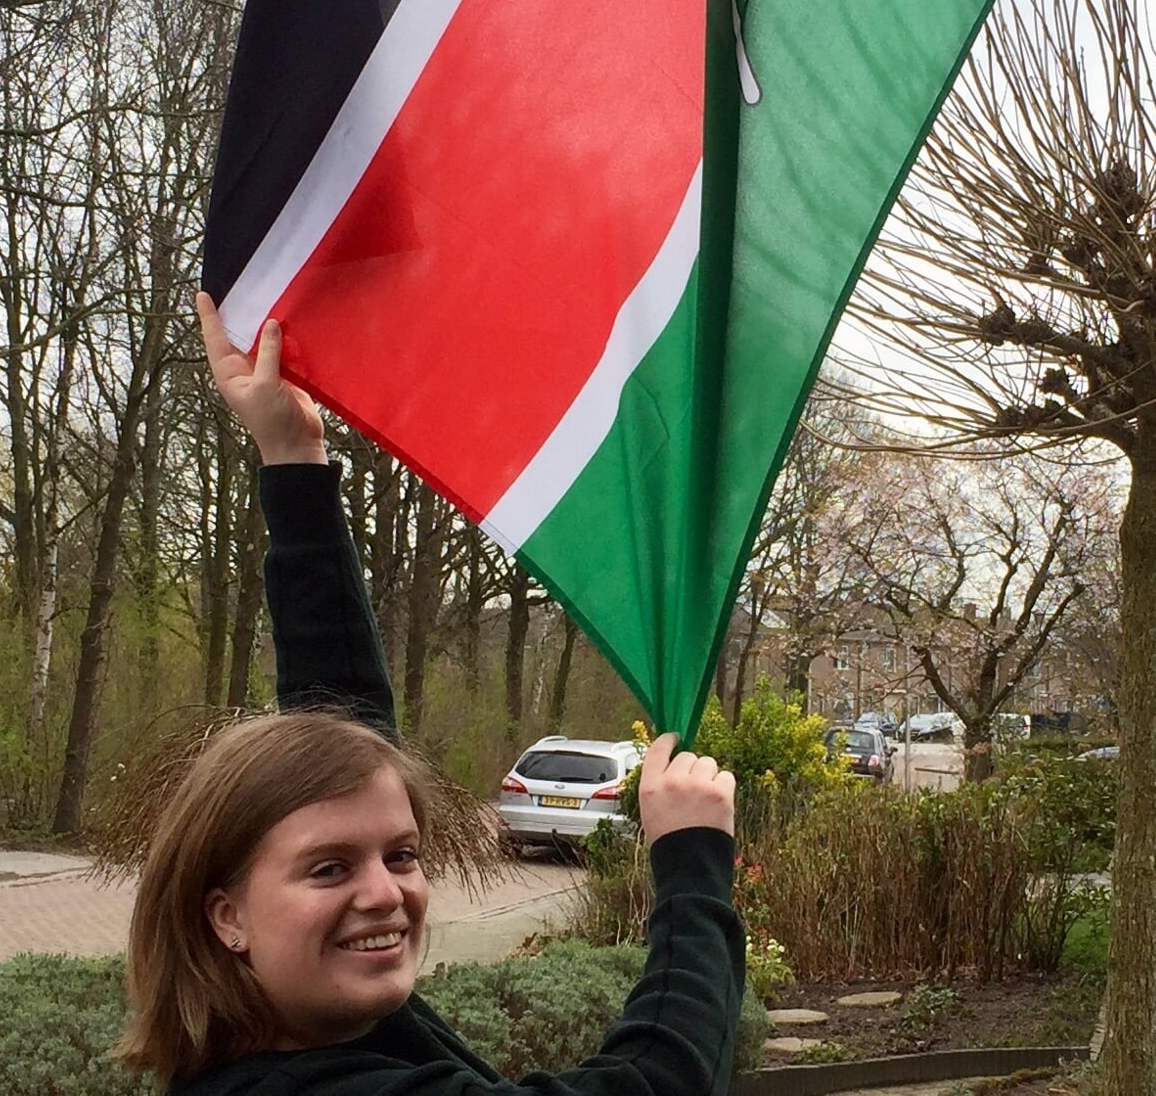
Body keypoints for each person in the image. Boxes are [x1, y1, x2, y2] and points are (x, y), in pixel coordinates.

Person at [115, 295, 746, 1096]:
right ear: (226, 915)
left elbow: (343, 727)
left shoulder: (300, 1032)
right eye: (328, 869)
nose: (385, 893)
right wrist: (693, 867)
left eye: (400, 854)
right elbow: (657, 1084)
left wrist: (294, 462)